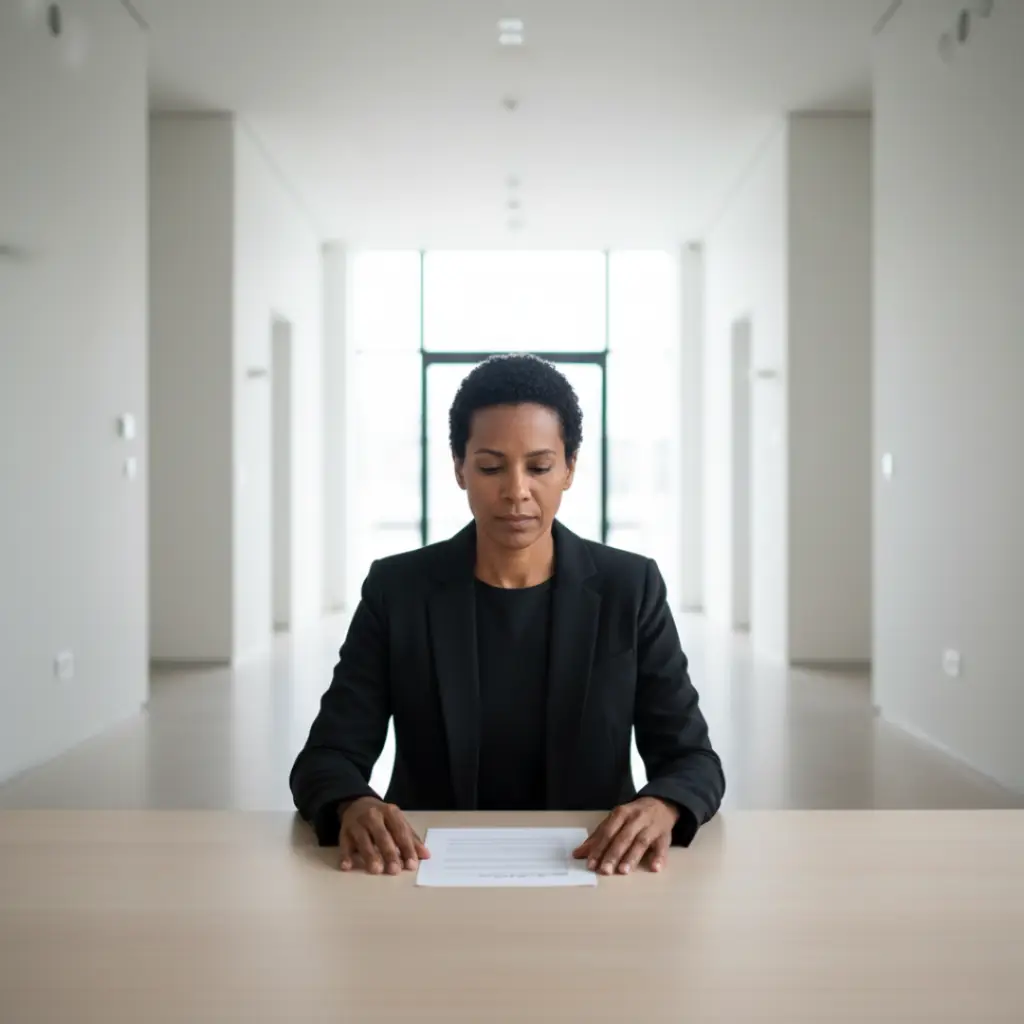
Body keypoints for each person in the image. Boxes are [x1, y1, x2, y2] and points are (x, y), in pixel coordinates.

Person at [290, 354, 724, 876]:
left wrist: (663, 805)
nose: (516, 490)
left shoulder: (629, 588)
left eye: (539, 467)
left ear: (569, 469)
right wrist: (352, 804)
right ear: (459, 468)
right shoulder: (398, 590)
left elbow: (693, 760)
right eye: (491, 467)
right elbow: (326, 757)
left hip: (594, 870)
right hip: (424, 869)